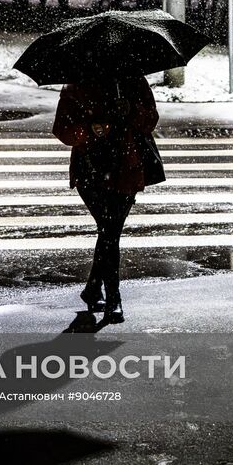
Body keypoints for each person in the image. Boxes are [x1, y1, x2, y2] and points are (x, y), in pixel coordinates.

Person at [52, 75, 163, 323]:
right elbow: (63, 128)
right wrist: (90, 130)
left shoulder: (133, 80)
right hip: (90, 170)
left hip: (126, 168)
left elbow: (151, 120)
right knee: (109, 231)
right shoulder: (77, 83)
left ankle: (99, 291)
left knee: (109, 231)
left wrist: (131, 110)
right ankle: (108, 296)